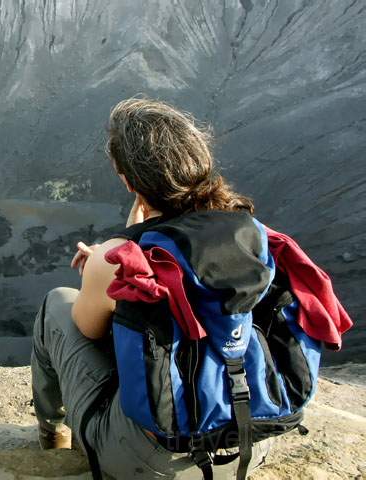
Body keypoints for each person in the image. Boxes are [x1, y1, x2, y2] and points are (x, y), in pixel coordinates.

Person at [30, 97, 348, 479]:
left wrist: (101, 265)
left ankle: (54, 441)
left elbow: (88, 329)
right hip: (253, 440)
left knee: (58, 304)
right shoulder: (254, 237)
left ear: (129, 181)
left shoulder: (121, 259)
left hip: (151, 463)